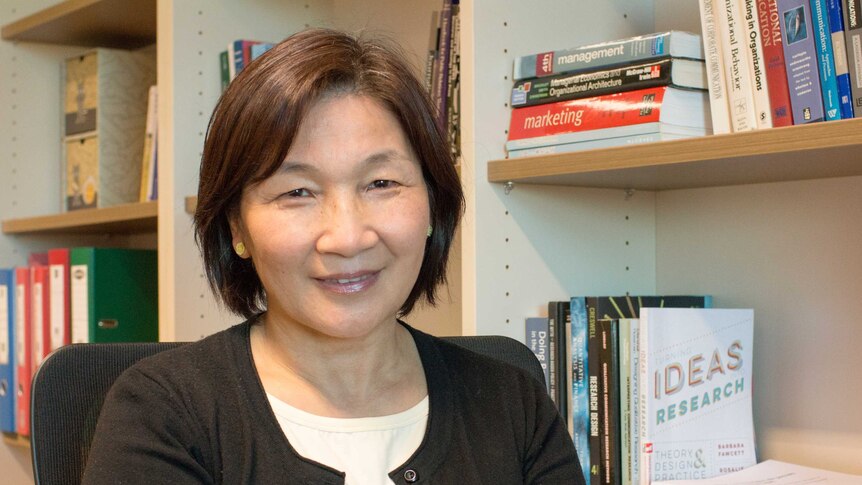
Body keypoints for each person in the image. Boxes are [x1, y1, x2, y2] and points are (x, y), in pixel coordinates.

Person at [82, 28, 583, 484]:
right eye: (297, 192)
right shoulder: (163, 414)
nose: (346, 237)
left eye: (382, 183)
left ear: (433, 205)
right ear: (237, 227)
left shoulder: (512, 405)